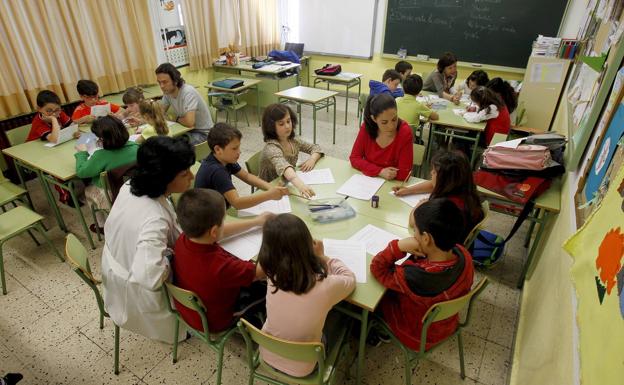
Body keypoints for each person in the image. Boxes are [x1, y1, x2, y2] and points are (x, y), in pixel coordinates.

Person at [101, 136, 195, 344]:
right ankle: (181, 331)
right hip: (136, 288)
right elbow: (150, 277)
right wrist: (170, 256)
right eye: (184, 173)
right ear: (164, 177)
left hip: (117, 264)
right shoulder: (154, 219)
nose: (192, 175)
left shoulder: (130, 186)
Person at [258, 213, 356, 377]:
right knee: (343, 318)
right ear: (307, 247)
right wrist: (323, 257)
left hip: (267, 352)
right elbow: (349, 279)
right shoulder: (325, 286)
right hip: (304, 368)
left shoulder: (271, 274)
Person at [370, 198, 474, 351]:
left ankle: (376, 331)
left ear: (426, 239)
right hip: (445, 323)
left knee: (372, 298)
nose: (413, 235)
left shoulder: (415, 278)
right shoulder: (464, 255)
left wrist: (398, 246)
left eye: (415, 231)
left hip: (417, 334)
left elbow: (377, 268)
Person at [173, 188, 271, 333]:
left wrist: (257, 222)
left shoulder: (183, 239)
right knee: (267, 289)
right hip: (216, 320)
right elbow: (261, 272)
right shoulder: (221, 267)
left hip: (189, 311)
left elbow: (220, 232)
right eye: (224, 221)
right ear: (213, 231)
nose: (225, 225)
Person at [392, 150, 484, 241]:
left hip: (442, 248)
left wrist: (419, 206)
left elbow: (413, 222)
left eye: (435, 172)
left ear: (445, 180)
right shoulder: (463, 189)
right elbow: (433, 184)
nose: (431, 173)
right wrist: (409, 190)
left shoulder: (445, 208)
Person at [194, 122, 288, 209]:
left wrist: (270, 187)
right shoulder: (217, 171)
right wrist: (269, 195)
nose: (239, 152)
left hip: (219, 208)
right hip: (209, 217)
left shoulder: (225, 159)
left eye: (238, 147)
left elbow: (247, 176)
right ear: (218, 149)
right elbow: (237, 203)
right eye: (234, 148)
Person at [74, 115, 139, 233]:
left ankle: (101, 225)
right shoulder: (135, 147)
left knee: (88, 191)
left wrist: (82, 153)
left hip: (112, 196)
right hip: (137, 189)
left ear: (104, 140)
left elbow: (82, 172)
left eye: (98, 138)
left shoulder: (100, 156)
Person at [258, 104, 324, 199]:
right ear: (271, 127)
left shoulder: (293, 140)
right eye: (281, 124)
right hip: (268, 192)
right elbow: (285, 167)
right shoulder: (271, 148)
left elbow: (316, 148)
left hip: (285, 185)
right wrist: (301, 186)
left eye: (288, 121)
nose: (287, 126)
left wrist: (312, 159)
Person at [350, 93, 413, 181]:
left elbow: (405, 173)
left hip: (392, 184)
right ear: (374, 119)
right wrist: (380, 171)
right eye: (384, 122)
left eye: (394, 119)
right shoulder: (366, 128)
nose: (391, 126)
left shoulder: (404, 132)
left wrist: (368, 167)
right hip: (368, 182)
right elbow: (354, 158)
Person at [156, 62, 213, 145]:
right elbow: (159, 113)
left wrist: (174, 118)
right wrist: (142, 120)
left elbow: (189, 122)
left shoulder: (188, 92)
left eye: (165, 82)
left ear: (175, 81)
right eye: (159, 82)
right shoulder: (167, 92)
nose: (161, 86)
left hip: (202, 134)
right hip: (187, 130)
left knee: (170, 146)